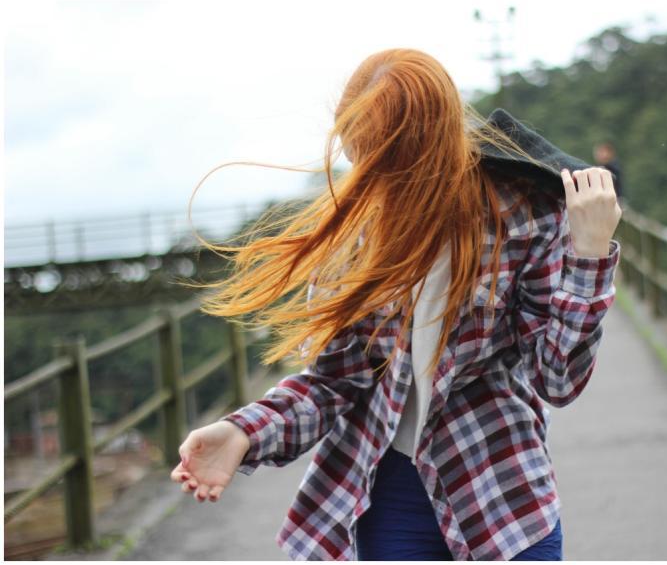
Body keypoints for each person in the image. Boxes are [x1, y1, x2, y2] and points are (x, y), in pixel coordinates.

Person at [170, 48, 622, 561]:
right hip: (391, 496)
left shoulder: (522, 215)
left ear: (437, 143)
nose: (380, 185)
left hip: (500, 489)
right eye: (366, 163)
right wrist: (242, 433)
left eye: (395, 163)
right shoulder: (359, 236)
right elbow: (333, 381)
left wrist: (588, 256)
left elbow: (556, 380)